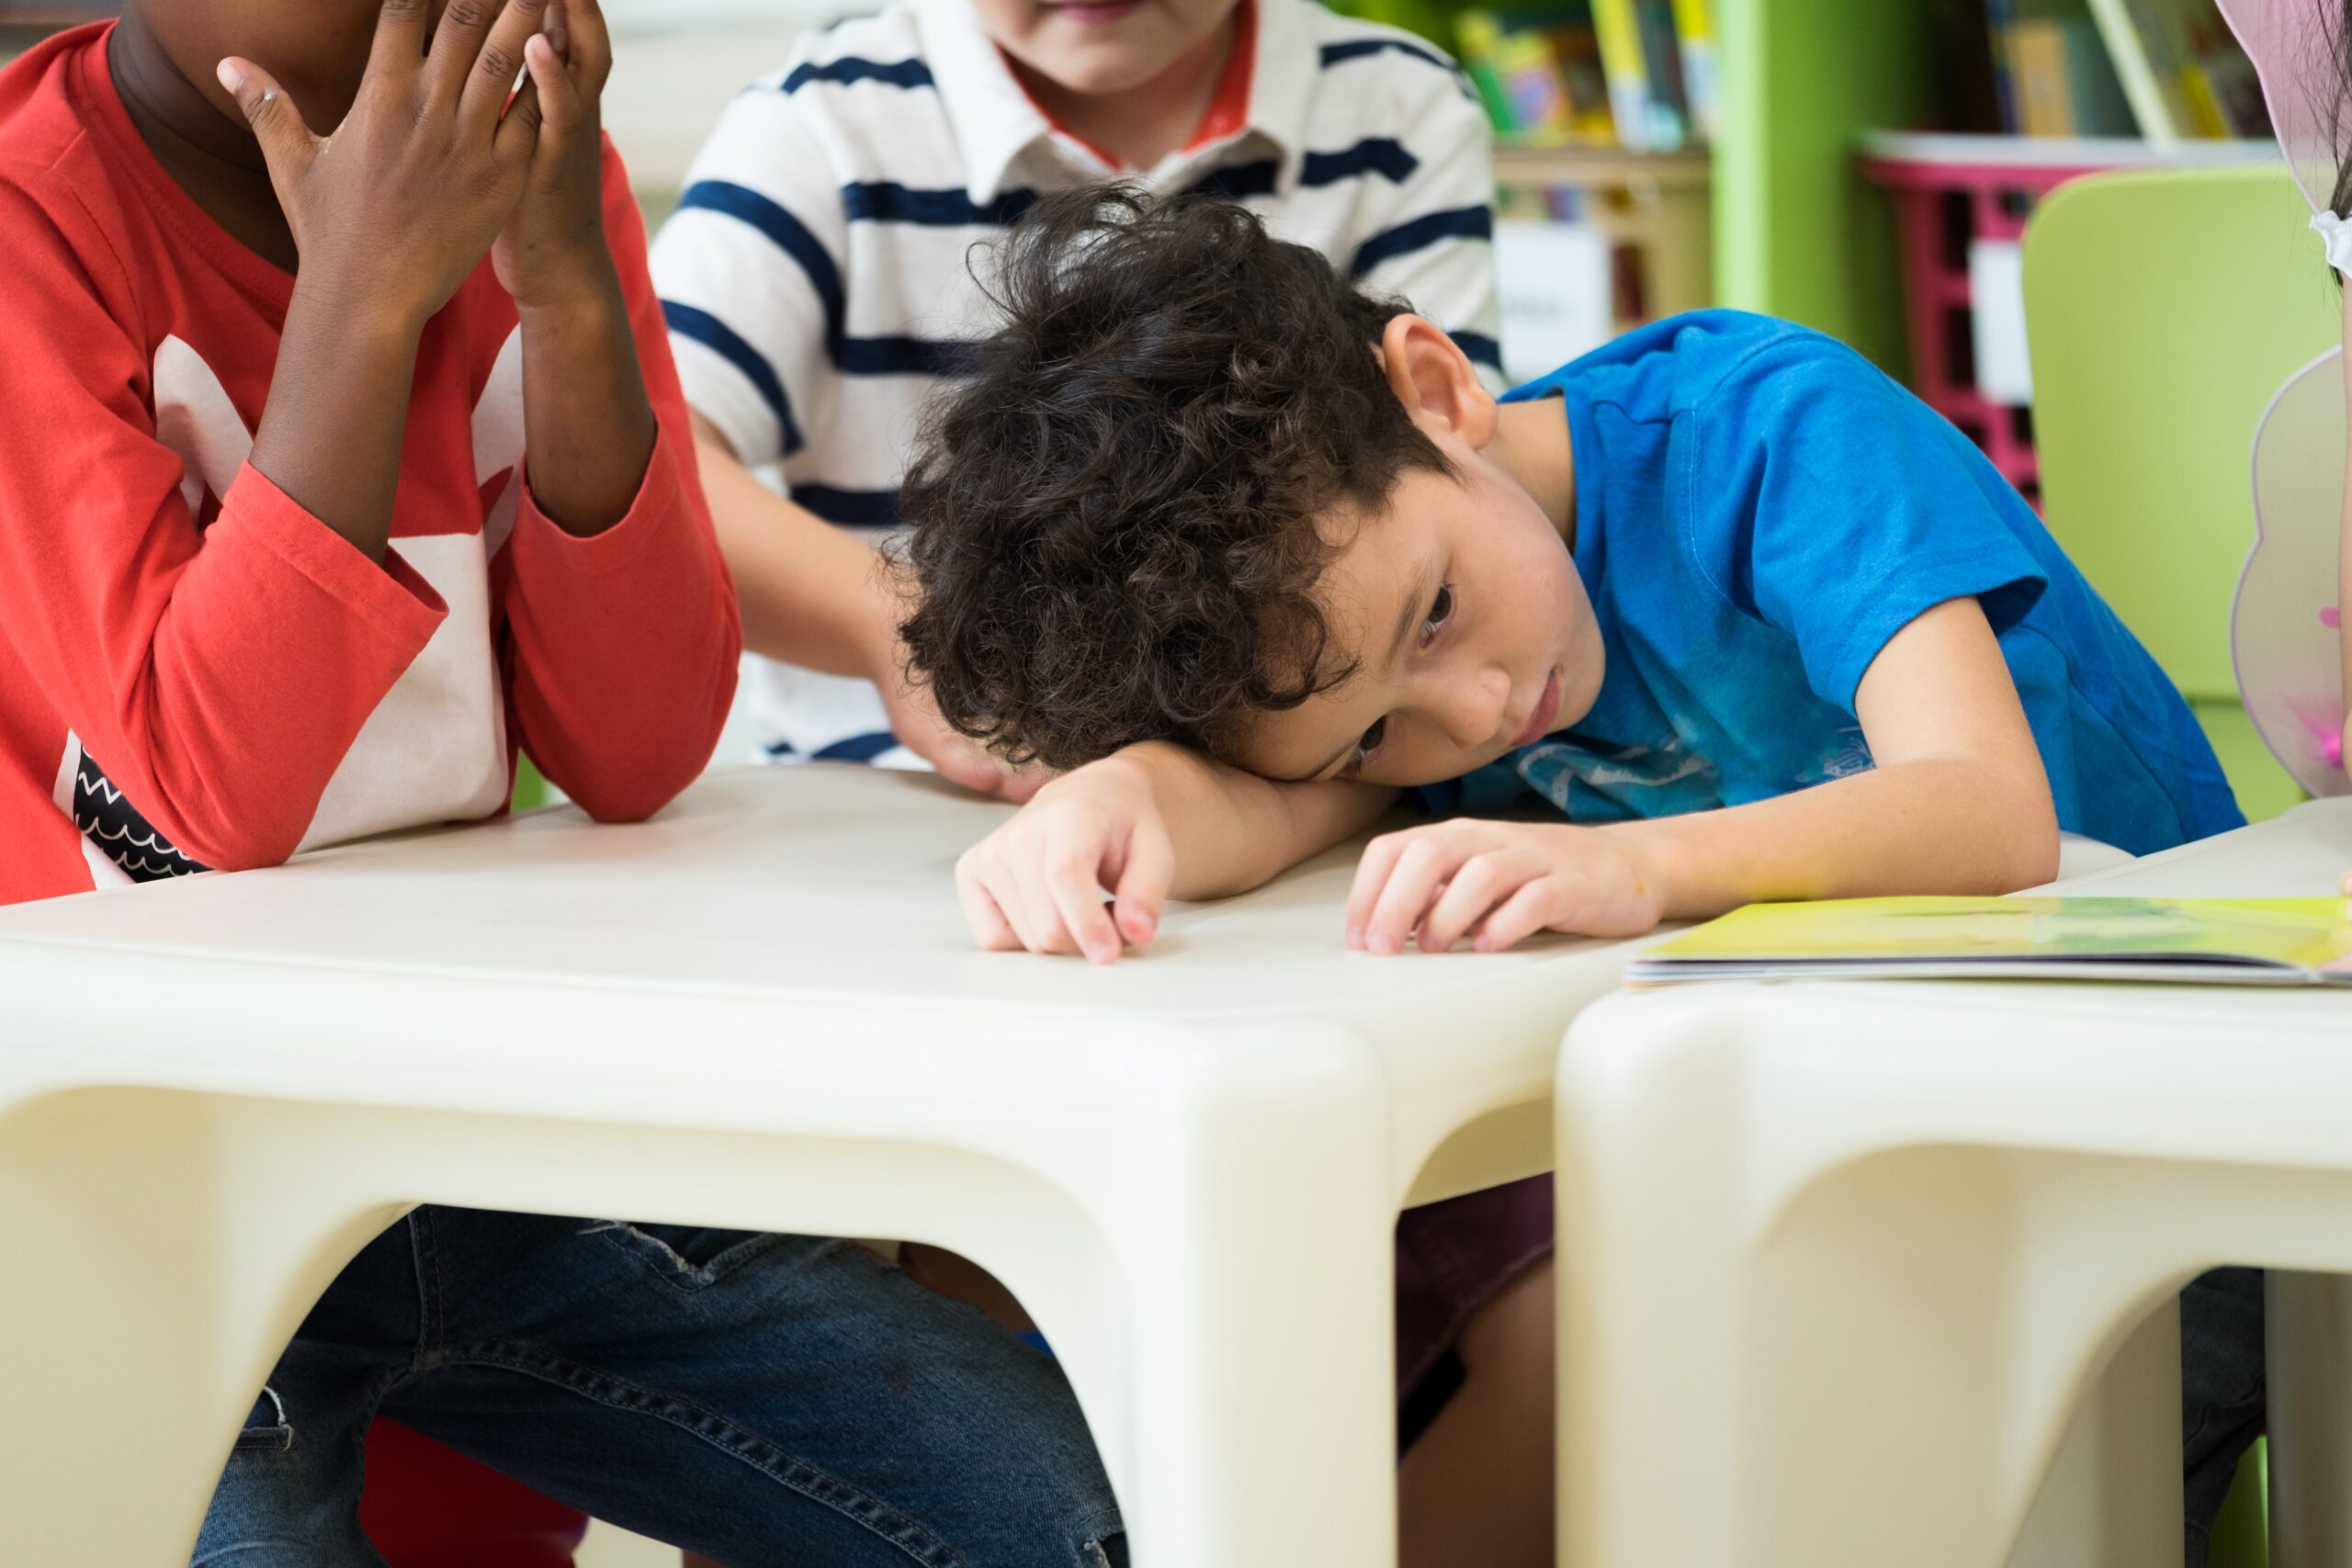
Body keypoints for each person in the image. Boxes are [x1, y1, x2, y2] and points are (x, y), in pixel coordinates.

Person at [895, 186, 2249, 1562]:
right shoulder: (1395, 634)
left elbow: (1991, 812)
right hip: (1866, 1164)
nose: (1473, 713)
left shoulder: (1763, 429)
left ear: (1435, 391)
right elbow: (1283, 805)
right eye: (1372, 729)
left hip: (2159, 1133)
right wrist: (1121, 793)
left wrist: (1636, 863)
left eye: (1439, 612)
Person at [0, 3, 1122, 1564]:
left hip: (468, 1128)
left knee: (1055, 1517)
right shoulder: (26, 220)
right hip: (133, 1191)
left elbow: (638, 745)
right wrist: (367, 295)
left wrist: (568, 278)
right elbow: (214, 789)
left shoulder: (524, 176)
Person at [648, 0, 1501, 792]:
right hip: (892, 804)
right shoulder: (820, 125)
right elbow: (648, 461)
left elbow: (1468, 484)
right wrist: (895, 625)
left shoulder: (1391, 106)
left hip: (1303, 806)